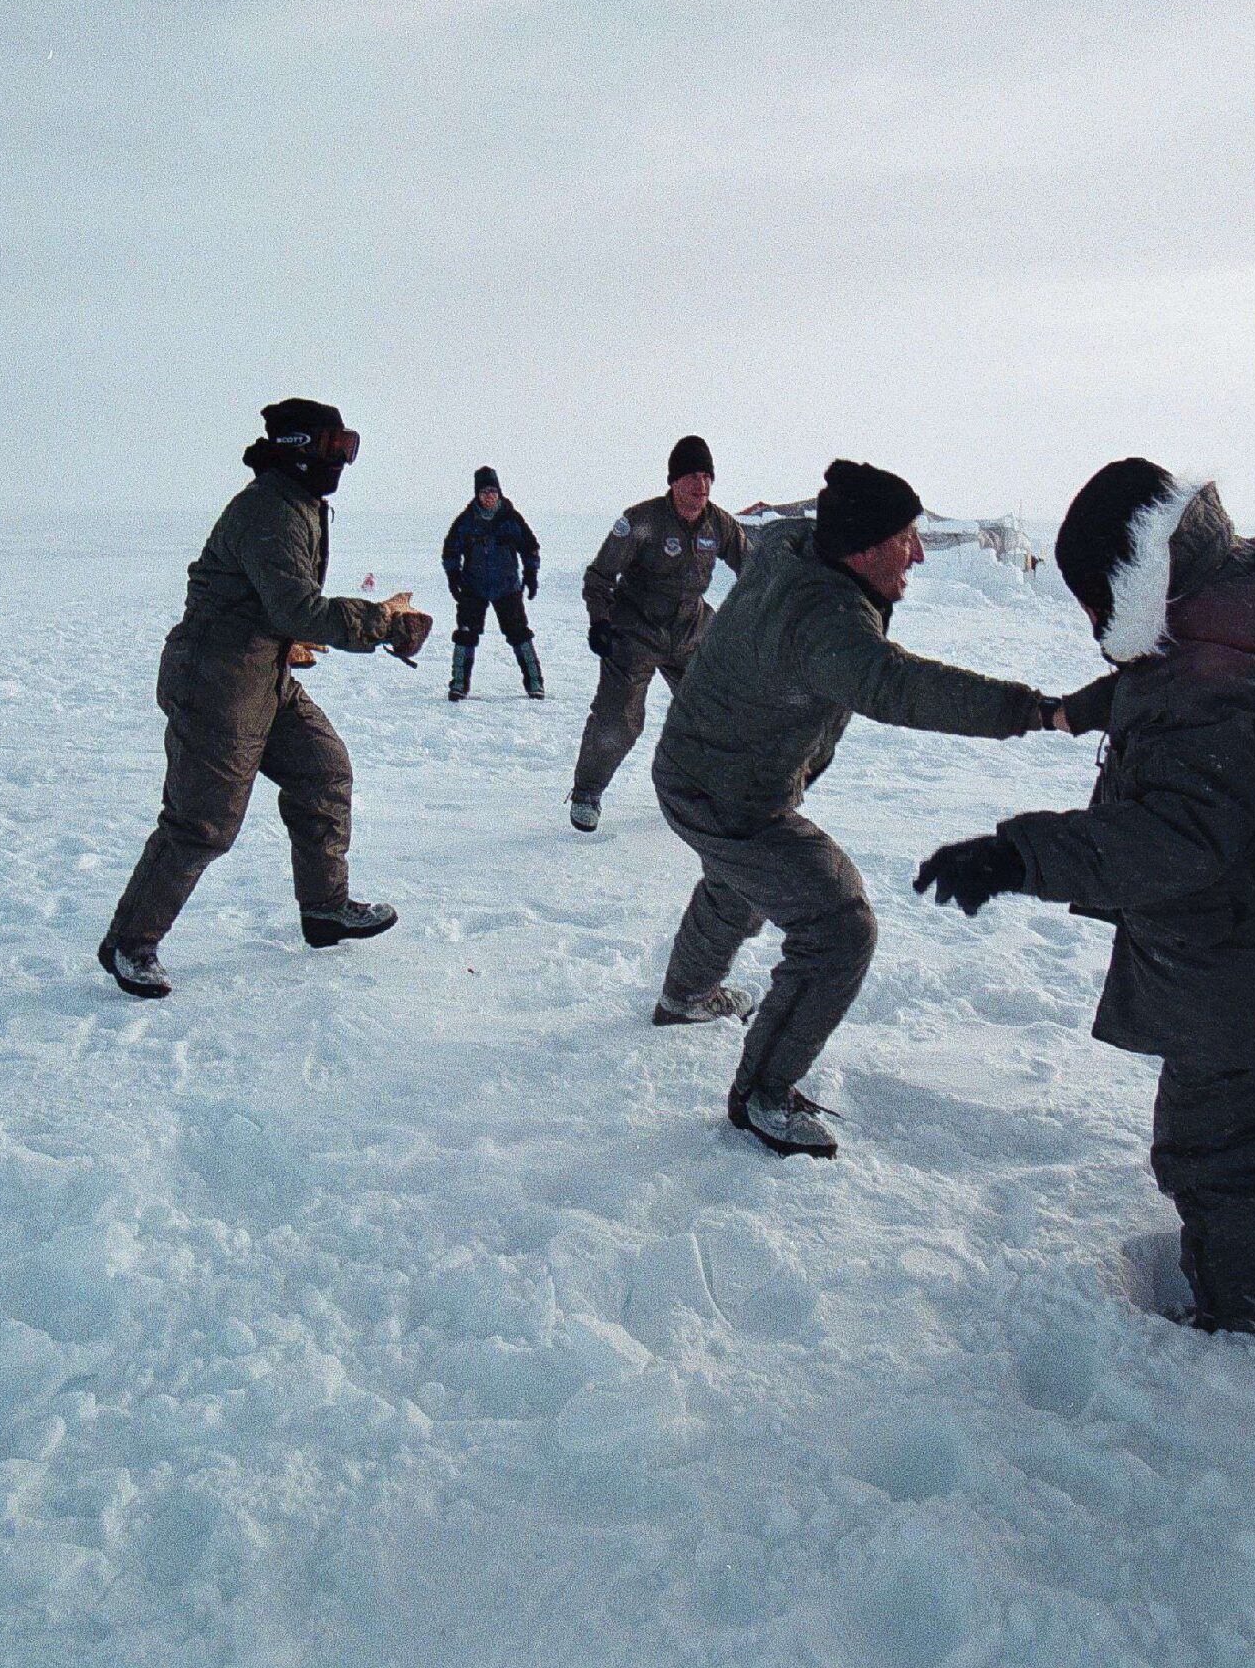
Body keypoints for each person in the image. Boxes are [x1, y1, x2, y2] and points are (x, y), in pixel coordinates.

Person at [914, 461, 1255, 1332]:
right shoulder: (1233, 610)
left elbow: (1174, 840)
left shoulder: (1206, 683)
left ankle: (1249, 1320)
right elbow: (1168, 683)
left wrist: (1014, 855)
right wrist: (1088, 709)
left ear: (1129, 583)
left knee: (1214, 1143)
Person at [651, 459, 1073, 1159]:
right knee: (837, 924)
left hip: (705, 767)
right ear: (861, 547)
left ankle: (685, 997)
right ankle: (763, 1095)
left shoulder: (791, 543)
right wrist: (1039, 711)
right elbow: (896, 685)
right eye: (905, 537)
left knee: (740, 882)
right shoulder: (824, 620)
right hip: (728, 792)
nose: (918, 553)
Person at [98, 399, 433, 999]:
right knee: (203, 824)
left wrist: (297, 636)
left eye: (348, 447)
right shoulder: (270, 513)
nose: (343, 461)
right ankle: (131, 943)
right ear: (300, 448)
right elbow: (294, 606)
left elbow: (277, 606)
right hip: (216, 683)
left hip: (263, 674)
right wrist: (379, 622)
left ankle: (325, 908)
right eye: (336, 448)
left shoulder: (297, 504)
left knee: (323, 771)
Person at [568, 434, 749, 831]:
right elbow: (599, 576)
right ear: (673, 481)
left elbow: (753, 570)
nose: (700, 485)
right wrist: (600, 621)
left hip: (691, 629)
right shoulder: (641, 521)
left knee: (716, 711)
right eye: (691, 476)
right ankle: (586, 792)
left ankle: (701, 791)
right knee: (620, 720)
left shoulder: (719, 524)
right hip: (636, 630)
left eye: (706, 476)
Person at [440, 466, 545, 701]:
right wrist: (453, 576)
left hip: (507, 587)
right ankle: (459, 685)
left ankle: (535, 683)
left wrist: (531, 574)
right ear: (477, 494)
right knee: (465, 635)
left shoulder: (511, 518)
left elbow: (530, 547)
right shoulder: (466, 520)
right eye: (485, 491)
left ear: (499, 493)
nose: (489, 496)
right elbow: (450, 551)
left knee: (519, 634)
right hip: (473, 588)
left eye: (493, 491)